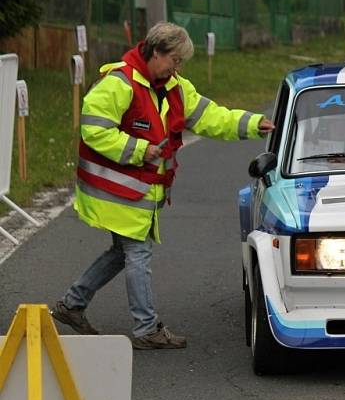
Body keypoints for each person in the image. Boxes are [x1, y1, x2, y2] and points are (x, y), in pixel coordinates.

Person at [50, 22, 274, 349]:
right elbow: (94, 130)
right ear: (156, 52)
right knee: (137, 253)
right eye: (174, 60)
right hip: (119, 192)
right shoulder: (119, 83)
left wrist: (253, 124)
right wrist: (140, 150)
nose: (177, 68)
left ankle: (72, 304)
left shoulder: (174, 87)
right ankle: (146, 328)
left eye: (180, 63)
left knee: (121, 252)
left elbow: (210, 117)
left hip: (137, 192)